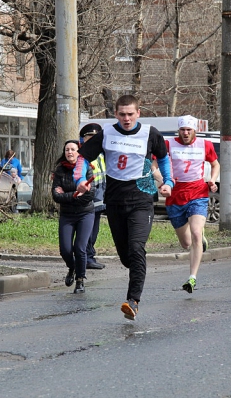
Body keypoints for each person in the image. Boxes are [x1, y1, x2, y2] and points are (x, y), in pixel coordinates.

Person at [75, 95, 174, 320]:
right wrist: (80, 178)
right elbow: (82, 157)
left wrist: (168, 182)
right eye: (122, 114)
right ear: (116, 115)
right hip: (115, 201)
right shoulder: (107, 133)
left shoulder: (151, 133)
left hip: (142, 197)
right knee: (126, 257)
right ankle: (137, 270)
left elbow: (164, 158)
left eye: (131, 114)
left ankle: (133, 301)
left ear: (138, 113)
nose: (127, 119)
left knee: (136, 247)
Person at [164, 115, 219, 293]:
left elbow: (215, 164)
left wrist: (212, 180)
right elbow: (156, 164)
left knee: (196, 233)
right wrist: (162, 180)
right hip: (175, 196)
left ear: (195, 130)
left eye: (189, 130)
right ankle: (197, 238)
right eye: (182, 130)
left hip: (198, 194)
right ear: (178, 131)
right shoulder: (168, 144)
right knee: (186, 244)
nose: (185, 133)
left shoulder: (205, 145)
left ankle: (192, 278)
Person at [52, 140, 95, 294]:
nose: (69, 152)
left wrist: (68, 195)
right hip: (67, 215)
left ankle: (80, 280)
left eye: (72, 149)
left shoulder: (87, 168)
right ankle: (72, 267)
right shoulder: (60, 170)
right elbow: (56, 196)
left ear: (78, 152)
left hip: (85, 213)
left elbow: (90, 195)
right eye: (67, 150)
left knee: (80, 247)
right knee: (65, 250)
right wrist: (76, 194)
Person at [79, 123, 107, 270]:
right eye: (89, 137)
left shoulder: (101, 154)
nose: (93, 140)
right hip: (88, 198)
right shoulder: (82, 154)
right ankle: (87, 258)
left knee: (94, 230)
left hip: (99, 198)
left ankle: (90, 255)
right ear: (83, 139)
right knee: (88, 230)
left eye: (96, 137)